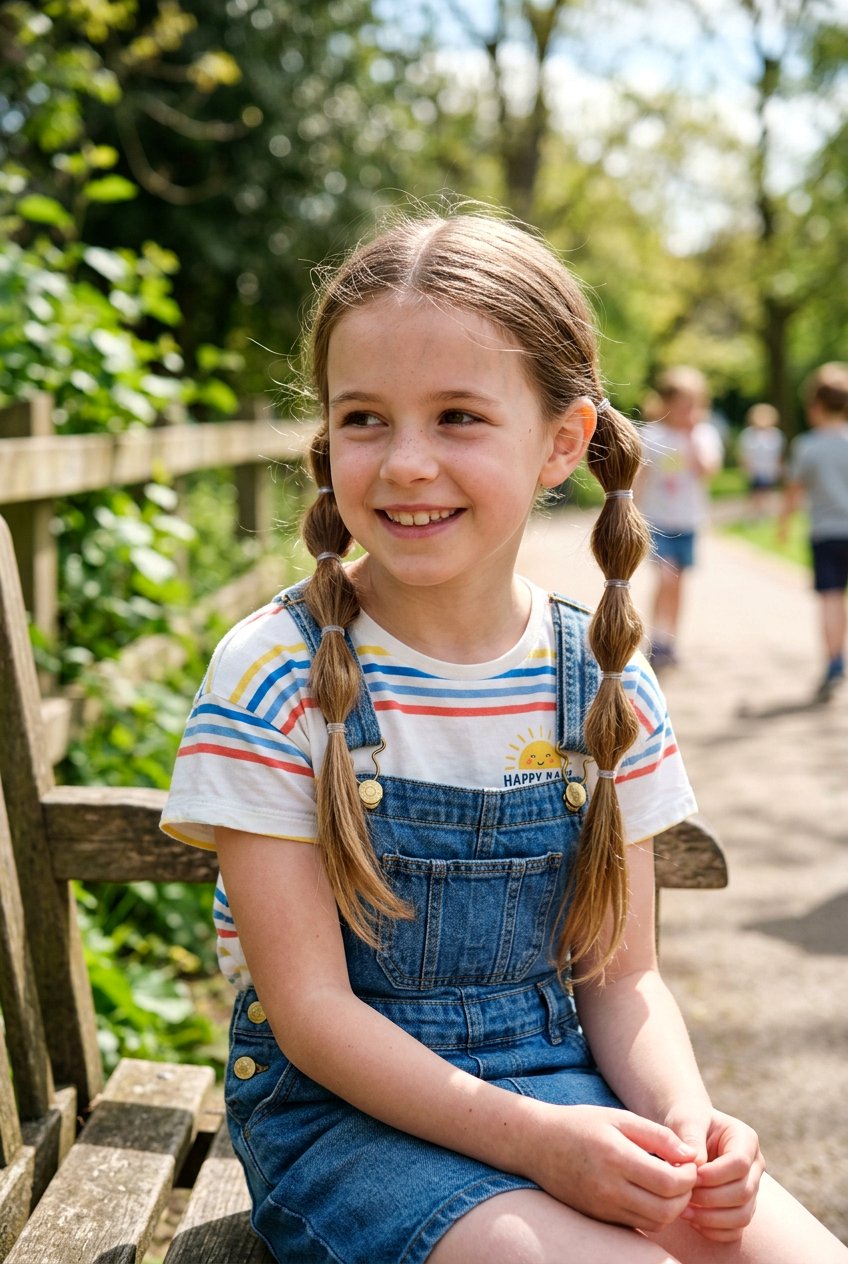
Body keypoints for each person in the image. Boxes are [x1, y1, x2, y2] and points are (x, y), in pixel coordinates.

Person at [161, 212, 847, 1264]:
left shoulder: (603, 679)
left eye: (458, 417)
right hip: (344, 1120)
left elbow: (621, 979)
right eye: (363, 419)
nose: (406, 463)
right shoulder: (274, 671)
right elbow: (309, 1011)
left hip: (557, 1082)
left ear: (562, 443)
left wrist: (684, 1122)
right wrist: (537, 1142)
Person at [635, 367, 724, 669]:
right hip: (657, 520)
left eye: (693, 404)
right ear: (666, 403)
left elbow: (707, 471)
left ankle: (670, 640)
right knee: (665, 577)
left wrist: (691, 439)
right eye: (681, 404)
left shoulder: (704, 435)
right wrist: (629, 508)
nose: (687, 411)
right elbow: (641, 476)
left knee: (678, 583)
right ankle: (656, 638)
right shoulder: (652, 434)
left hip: (688, 520)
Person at [780, 361, 848, 700]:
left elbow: (794, 490)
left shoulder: (807, 445)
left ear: (816, 406)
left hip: (825, 534)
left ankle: (834, 660)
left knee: (831, 598)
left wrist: (784, 522)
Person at [737, 402, 785, 520]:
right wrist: (745, 467)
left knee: (766, 492)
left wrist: (778, 468)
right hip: (754, 469)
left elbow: (778, 454)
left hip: (769, 469)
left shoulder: (776, 435)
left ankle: (763, 514)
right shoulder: (749, 434)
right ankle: (753, 514)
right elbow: (745, 454)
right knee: (754, 492)